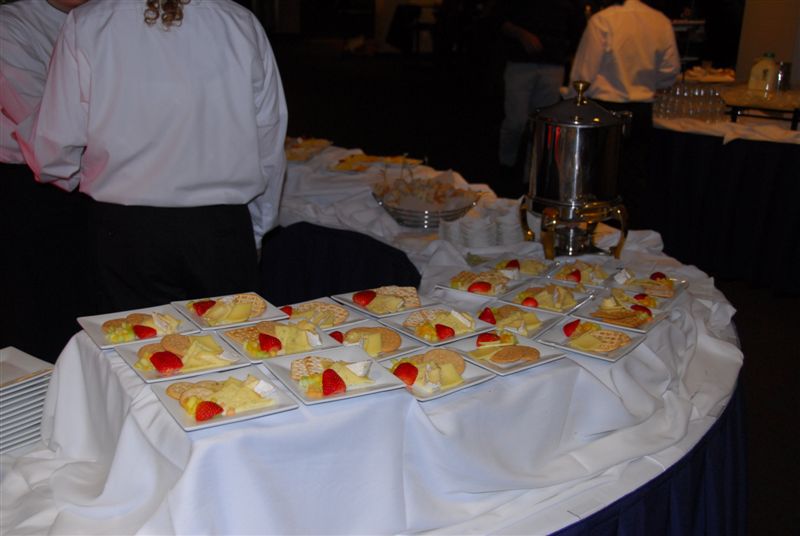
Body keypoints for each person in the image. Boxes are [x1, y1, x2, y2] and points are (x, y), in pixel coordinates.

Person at [16, 0, 288, 313]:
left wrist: (84, 174)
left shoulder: (89, 22)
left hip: (126, 232)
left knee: (129, 341)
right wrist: (256, 230)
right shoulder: (239, 22)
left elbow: (54, 150)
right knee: (226, 341)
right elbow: (269, 144)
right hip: (218, 230)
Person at [1, 0, 90, 363]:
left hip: (90, 185)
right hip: (27, 189)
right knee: (37, 321)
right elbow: (41, 125)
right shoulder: (10, 26)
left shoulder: (108, 20)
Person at [569, 0, 680, 227]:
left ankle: (594, 231)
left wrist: (571, 101)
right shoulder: (660, 21)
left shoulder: (603, 20)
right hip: (640, 110)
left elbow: (583, 73)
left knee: (596, 179)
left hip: (602, 109)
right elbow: (670, 72)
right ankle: (627, 232)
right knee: (632, 179)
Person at [493, 0, 585, 198]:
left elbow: (577, 27)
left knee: (543, 125)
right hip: (519, 61)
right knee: (515, 122)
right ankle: (505, 166)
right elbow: (497, 19)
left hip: (553, 63)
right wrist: (521, 34)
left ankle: (532, 177)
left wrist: (569, 56)